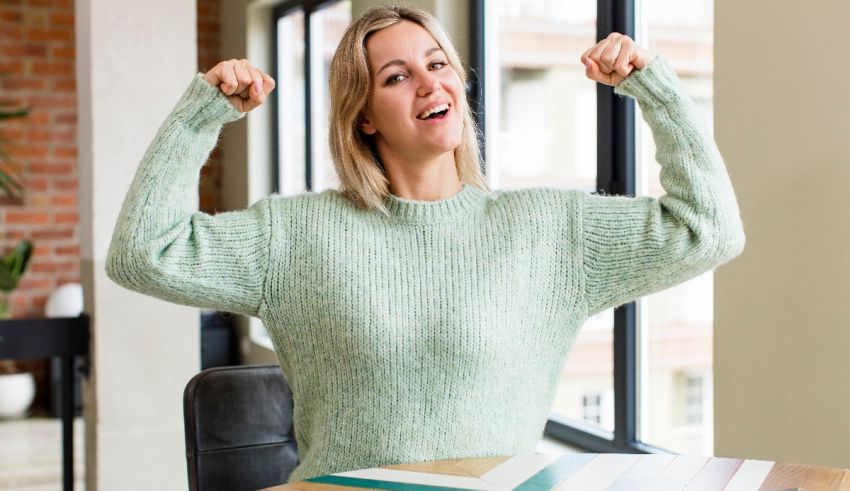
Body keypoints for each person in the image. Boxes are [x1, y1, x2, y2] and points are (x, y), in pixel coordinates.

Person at [106, 4, 745, 484]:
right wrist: (200, 115)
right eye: (396, 75)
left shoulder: (551, 230)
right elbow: (143, 253)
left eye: (438, 64)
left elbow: (708, 228)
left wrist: (653, 90)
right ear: (362, 113)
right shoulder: (294, 236)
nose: (429, 83)